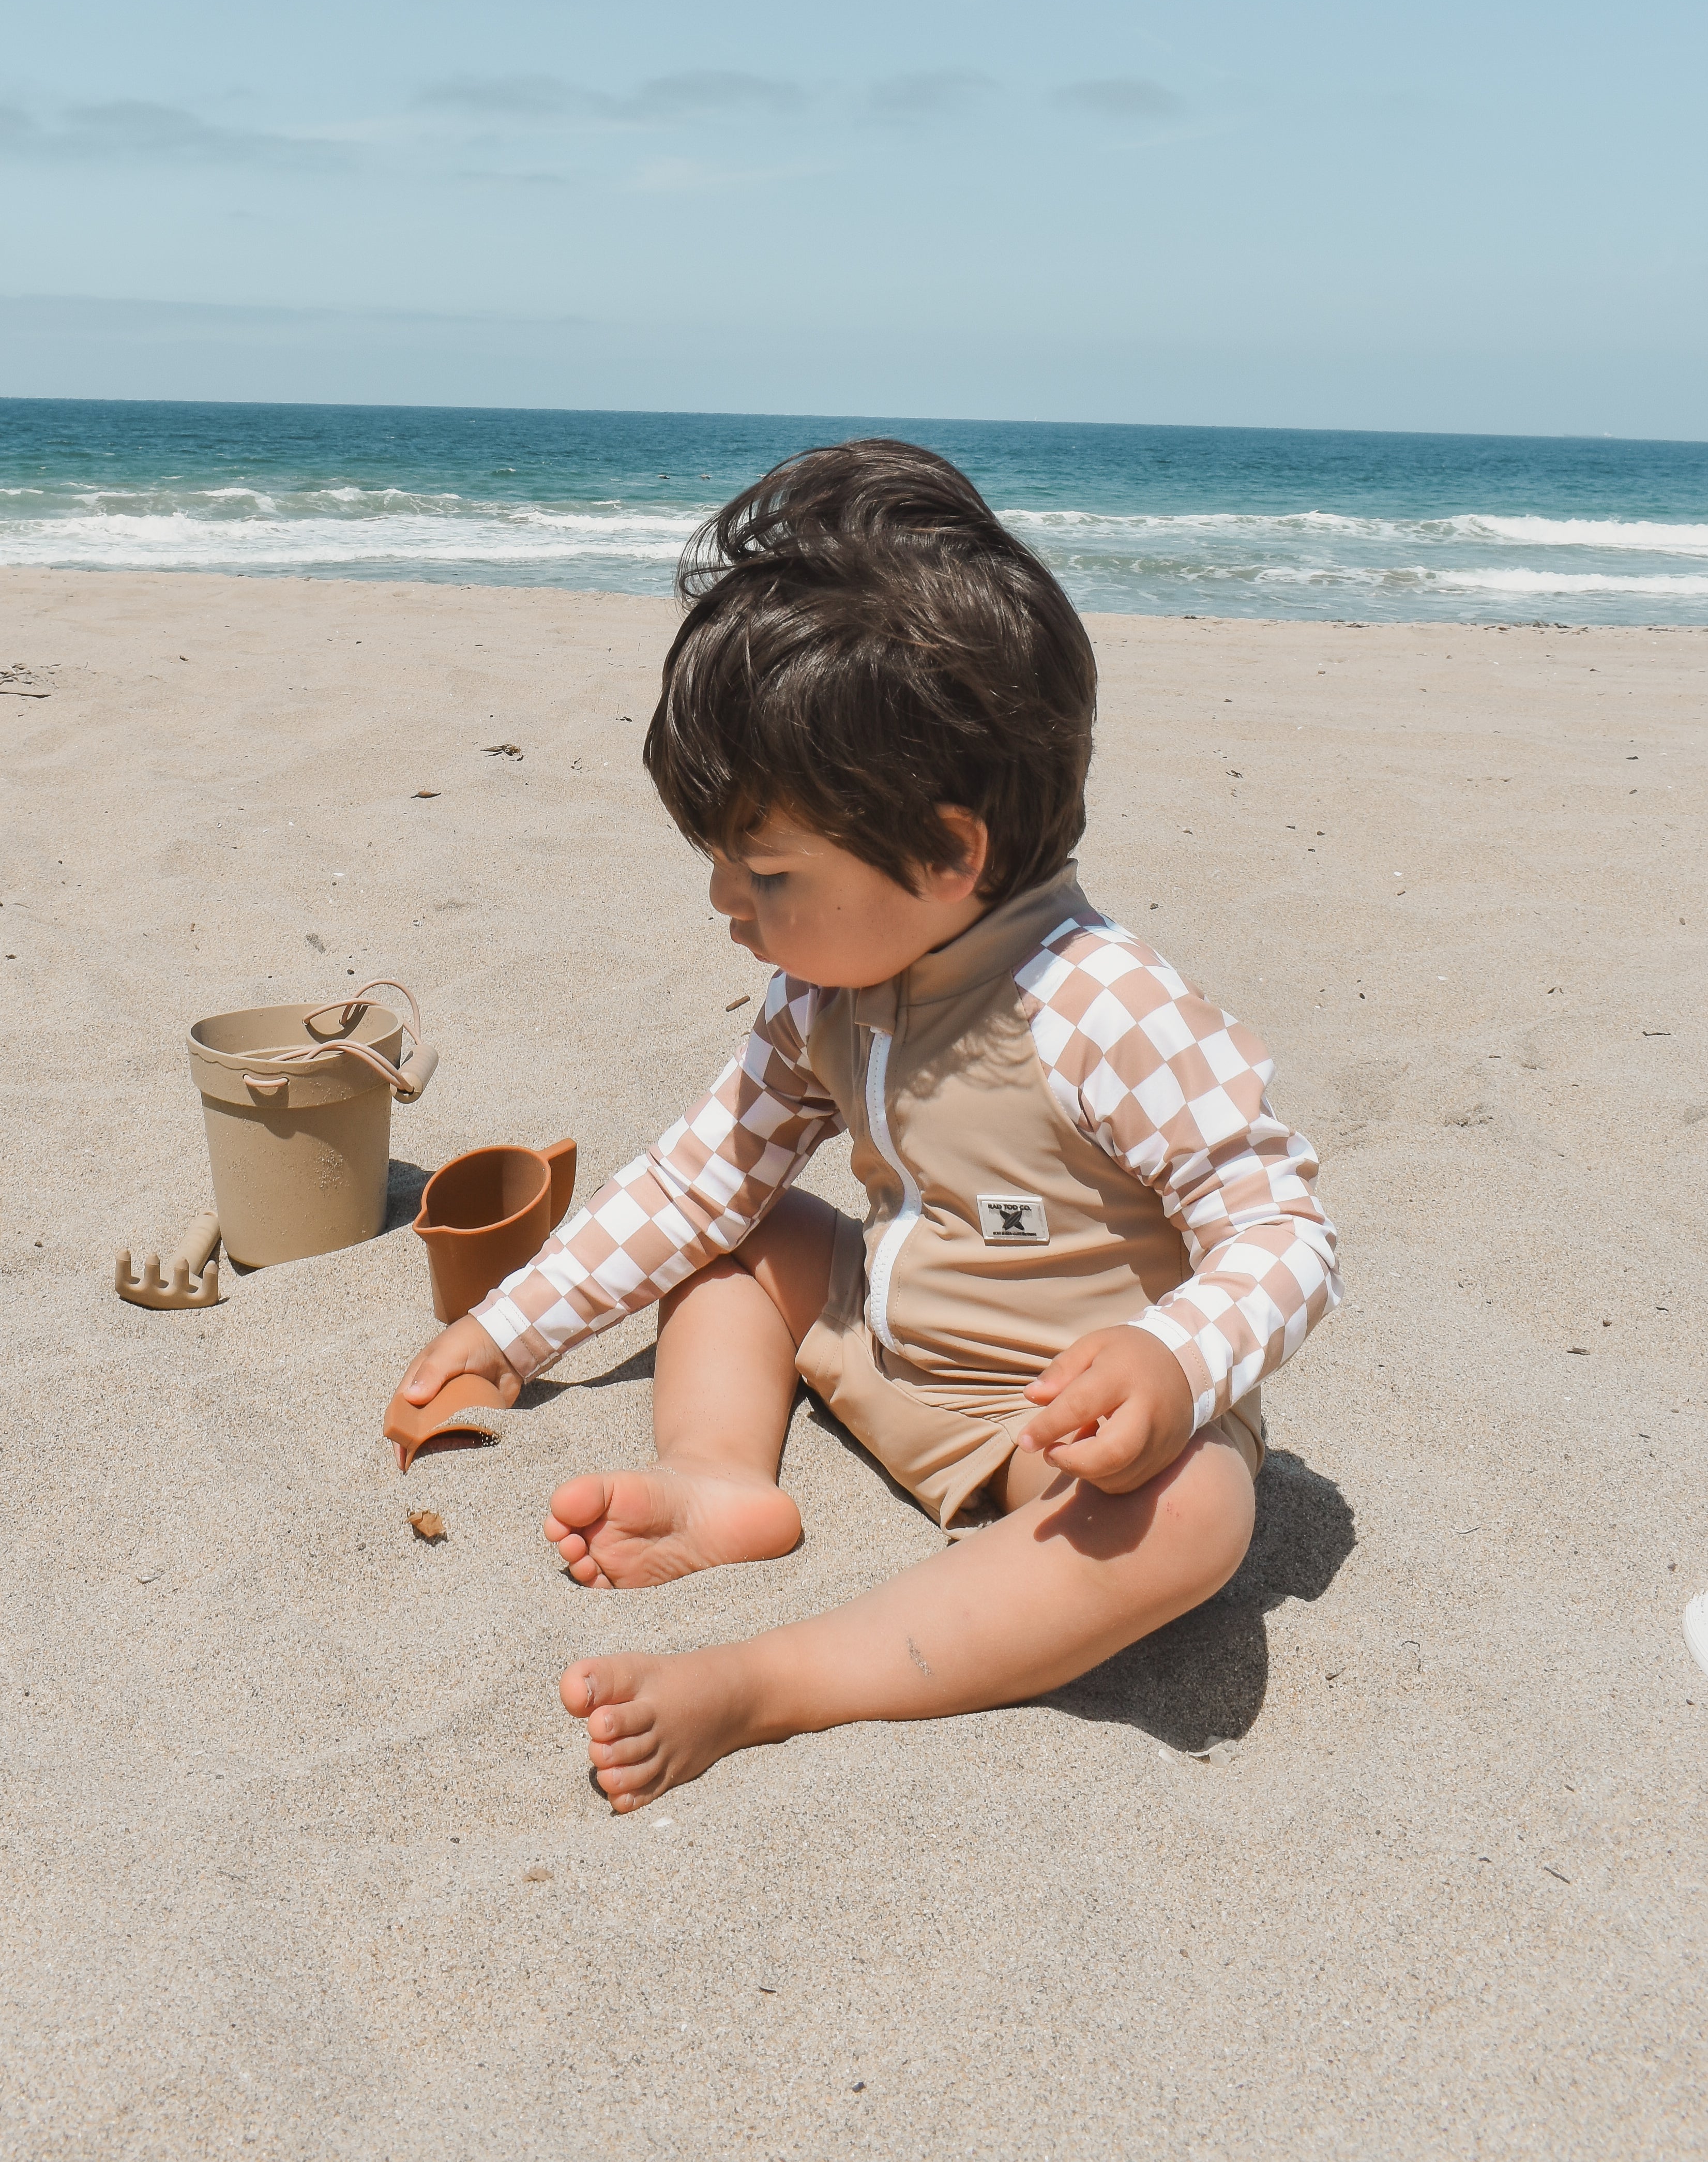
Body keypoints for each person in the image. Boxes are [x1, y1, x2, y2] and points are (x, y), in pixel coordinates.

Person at [391, 439, 1340, 1810]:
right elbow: (694, 1178)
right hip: (888, 1345)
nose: (727, 901)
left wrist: (1173, 1360)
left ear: (953, 849)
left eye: (767, 871)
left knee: (1198, 1512)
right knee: (736, 1237)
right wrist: (501, 1333)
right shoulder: (820, 991)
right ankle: (720, 1479)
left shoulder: (1102, 1006)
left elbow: (1285, 1231)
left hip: (1060, 1439)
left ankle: (778, 1679)